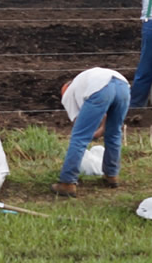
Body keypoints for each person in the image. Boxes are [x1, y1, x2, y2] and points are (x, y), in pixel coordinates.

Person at [52, 67, 129, 197]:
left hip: (101, 89)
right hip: (123, 86)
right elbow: (104, 116)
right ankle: (111, 175)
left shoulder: (69, 93)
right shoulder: (84, 82)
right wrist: (99, 131)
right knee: (114, 133)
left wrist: (91, 134)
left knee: (79, 137)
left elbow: (79, 124)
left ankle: (67, 183)